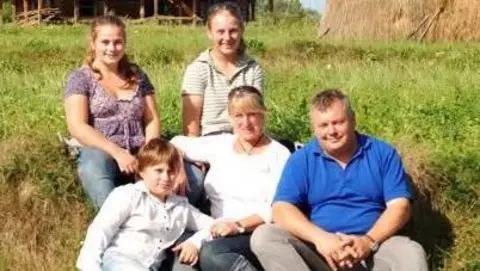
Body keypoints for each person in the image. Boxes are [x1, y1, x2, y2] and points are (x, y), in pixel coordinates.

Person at [251, 89, 428, 271]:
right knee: (265, 236)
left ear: (353, 120)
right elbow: (281, 209)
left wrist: (368, 241)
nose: (332, 131)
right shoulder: (302, 159)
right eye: (324, 125)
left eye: (338, 122)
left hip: (375, 247)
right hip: (320, 251)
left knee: (411, 252)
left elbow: (400, 207)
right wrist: (322, 239)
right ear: (314, 128)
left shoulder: (382, 153)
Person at [171, 86, 291, 271]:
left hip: (255, 232)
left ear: (263, 114)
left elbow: (275, 208)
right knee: (181, 255)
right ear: (230, 117)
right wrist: (178, 166)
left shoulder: (279, 154)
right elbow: (176, 142)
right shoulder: (222, 144)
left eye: (252, 114)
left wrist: (238, 226)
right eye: (239, 115)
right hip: (216, 228)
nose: (246, 122)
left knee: (213, 255)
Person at [63, 15, 161, 209]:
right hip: (103, 150)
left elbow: (152, 119)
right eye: (105, 42)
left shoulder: (137, 75)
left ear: (124, 44)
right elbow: (77, 126)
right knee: (93, 165)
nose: (112, 48)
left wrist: (148, 155)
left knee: (183, 174)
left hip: (139, 149)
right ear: (93, 44)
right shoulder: (80, 78)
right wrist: (117, 152)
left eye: (117, 42)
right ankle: (115, 221)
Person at [76, 138, 214, 271]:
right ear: (142, 171)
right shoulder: (129, 195)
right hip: (120, 259)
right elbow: (101, 230)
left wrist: (195, 242)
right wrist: (91, 267)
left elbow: (215, 225)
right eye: (159, 171)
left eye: (171, 172)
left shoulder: (180, 206)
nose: (166, 177)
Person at [181, 1, 264, 137]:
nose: (227, 37)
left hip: (245, 139)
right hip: (208, 143)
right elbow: (191, 128)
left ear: (241, 31)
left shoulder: (253, 69)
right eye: (220, 31)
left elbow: (256, 117)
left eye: (233, 31)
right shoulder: (197, 69)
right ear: (210, 32)